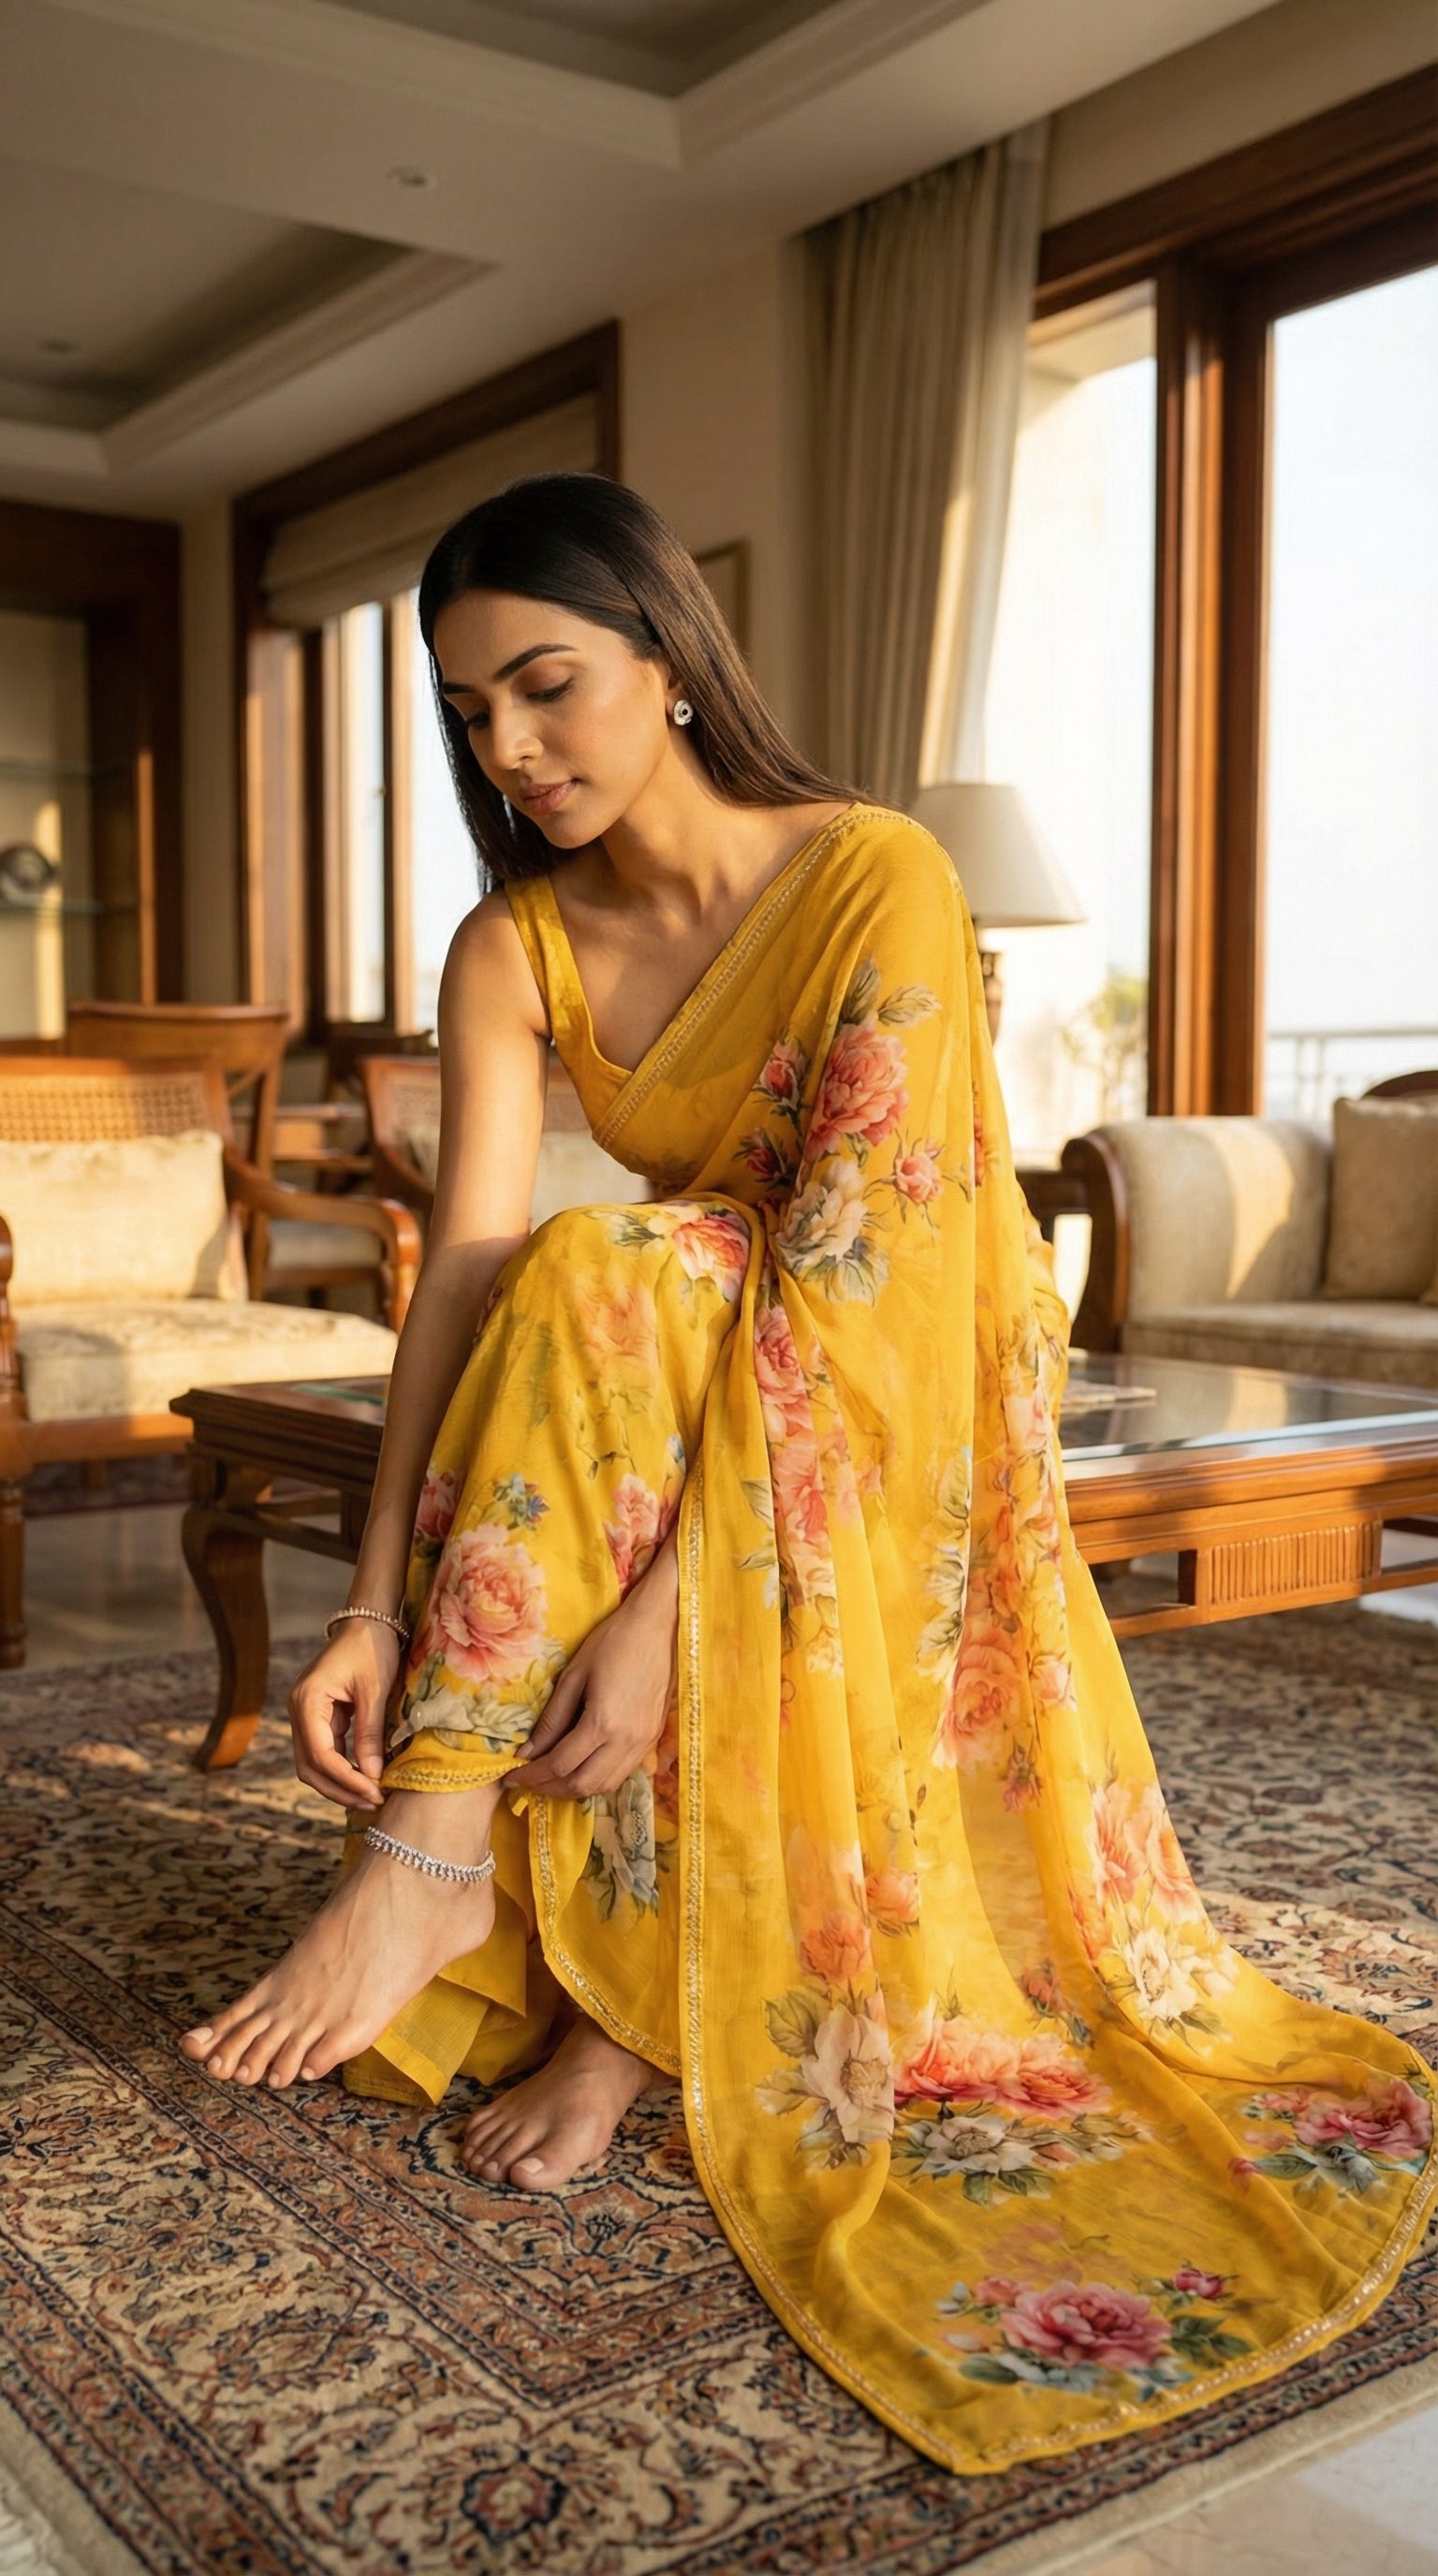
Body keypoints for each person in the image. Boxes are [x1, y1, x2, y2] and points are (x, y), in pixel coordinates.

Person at [183, 476, 1435, 2477]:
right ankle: (510, 1903)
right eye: (470, 710)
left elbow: (869, 1271)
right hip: (687, 1335)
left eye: (549, 683)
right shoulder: (512, 942)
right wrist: (362, 1599)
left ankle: (531, 1946)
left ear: (667, 661)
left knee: (633, 1289)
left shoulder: (874, 873)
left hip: (918, 1349)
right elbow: (469, 1271)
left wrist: (675, 1618)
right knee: (585, 1286)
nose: (511, 745)